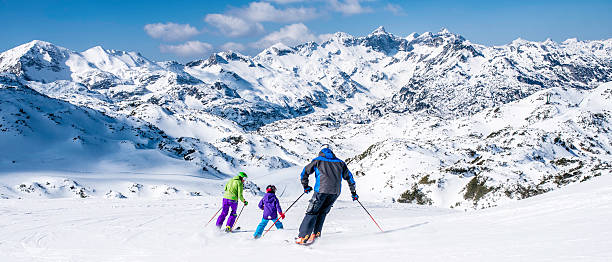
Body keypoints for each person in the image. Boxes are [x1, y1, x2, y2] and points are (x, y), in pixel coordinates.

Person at [296, 145, 358, 245]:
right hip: (335, 192)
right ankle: (316, 234)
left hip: (321, 190)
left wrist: (305, 186)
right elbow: (349, 178)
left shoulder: (318, 160)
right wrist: (353, 192)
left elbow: (305, 172)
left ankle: (303, 236)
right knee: (322, 213)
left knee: (312, 212)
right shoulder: (340, 162)